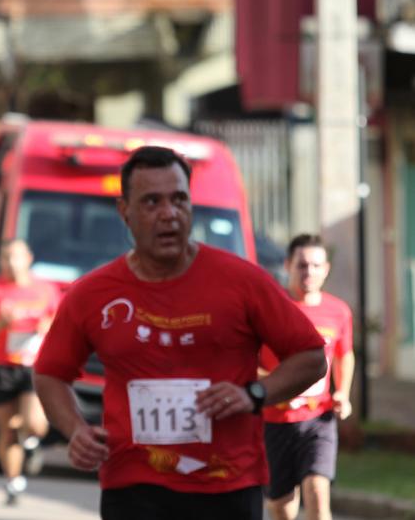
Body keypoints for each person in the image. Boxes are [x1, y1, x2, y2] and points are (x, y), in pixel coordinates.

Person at [32, 146, 328, 520]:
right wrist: (75, 429)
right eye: (152, 202)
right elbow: (49, 373)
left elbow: (312, 356)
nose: (168, 214)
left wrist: (254, 393)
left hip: (227, 482)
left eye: (178, 200)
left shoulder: (242, 281)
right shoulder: (92, 294)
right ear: (125, 212)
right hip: (133, 482)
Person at [260, 234, 355, 520]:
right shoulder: (270, 307)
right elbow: (244, 363)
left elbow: (344, 354)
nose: (309, 272)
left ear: (326, 269)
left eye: (315, 266)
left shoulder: (338, 311)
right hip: (276, 423)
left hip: (319, 419)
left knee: (317, 489)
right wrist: (277, 389)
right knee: (283, 506)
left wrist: (343, 393)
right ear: (288, 265)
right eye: (302, 265)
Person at [0, 239, 58, 504]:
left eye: (15, 257)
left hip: (34, 366)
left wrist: (48, 326)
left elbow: (60, 321)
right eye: (5, 257)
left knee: (35, 422)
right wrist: (1, 323)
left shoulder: (45, 290)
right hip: (1, 367)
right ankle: (13, 483)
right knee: (7, 430)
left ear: (29, 258)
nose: (11, 263)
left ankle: (32, 442)